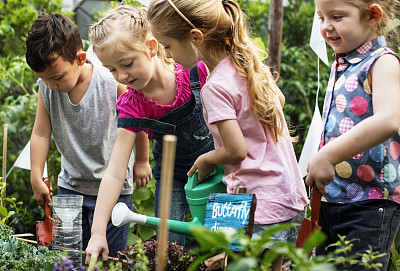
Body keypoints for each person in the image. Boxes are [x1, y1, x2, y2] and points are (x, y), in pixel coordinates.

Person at [147, 1, 309, 270]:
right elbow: (278, 100)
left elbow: (236, 150)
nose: (167, 55)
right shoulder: (248, 65)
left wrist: (207, 158)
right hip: (286, 193)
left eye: (168, 46)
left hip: (257, 202)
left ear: (195, 37)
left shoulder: (216, 86)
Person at [85, 5, 214, 263]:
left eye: (127, 63)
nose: (121, 76)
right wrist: (97, 232)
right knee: (168, 249)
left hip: (218, 168)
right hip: (173, 177)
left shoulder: (195, 71)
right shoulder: (133, 104)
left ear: (152, 47)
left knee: (223, 242)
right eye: (111, 69)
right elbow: (114, 172)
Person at [26, 13, 150, 257]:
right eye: (44, 79)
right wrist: (35, 174)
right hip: (70, 188)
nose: (51, 85)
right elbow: (40, 134)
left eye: (57, 77)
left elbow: (137, 121)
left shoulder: (111, 83)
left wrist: (143, 161)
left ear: (80, 59)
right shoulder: (47, 89)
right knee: (68, 257)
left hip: (114, 190)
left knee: (109, 258)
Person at [304, 0, 400, 270]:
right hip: (334, 199)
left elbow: (389, 119)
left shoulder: (383, 63)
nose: (326, 27)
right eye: (321, 17)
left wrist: (327, 155)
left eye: (336, 17)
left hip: (368, 204)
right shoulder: (343, 63)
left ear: (372, 15)